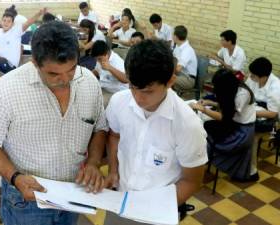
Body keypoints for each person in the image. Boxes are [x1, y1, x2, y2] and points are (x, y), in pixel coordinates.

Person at [0, 21, 107, 225]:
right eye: (53, 74)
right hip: (26, 198)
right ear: (35, 61)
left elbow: (99, 128)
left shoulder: (88, 82)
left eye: (71, 69)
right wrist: (15, 177)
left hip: (72, 193)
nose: (65, 79)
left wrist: (93, 162)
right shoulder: (6, 90)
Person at [104, 40, 207, 224]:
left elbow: (191, 181)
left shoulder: (188, 125)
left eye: (148, 91)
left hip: (157, 214)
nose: (138, 98)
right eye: (132, 87)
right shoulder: (119, 102)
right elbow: (114, 135)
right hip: (119, 201)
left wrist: (154, 208)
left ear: (170, 82)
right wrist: (113, 169)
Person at [190, 68, 257, 181]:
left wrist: (203, 109)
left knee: (206, 130)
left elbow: (225, 117)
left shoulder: (242, 93)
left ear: (226, 85)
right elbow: (227, 107)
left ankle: (203, 160)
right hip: (234, 124)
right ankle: (202, 159)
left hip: (241, 132)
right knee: (206, 126)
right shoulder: (232, 88)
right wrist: (209, 103)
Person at [0, 9, 46, 77]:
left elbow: (28, 23)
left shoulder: (15, 31)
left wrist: (39, 13)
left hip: (10, 66)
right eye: (4, 20)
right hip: (1, 63)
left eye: (9, 21)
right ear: (1, 21)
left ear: (12, 24)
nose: (6, 23)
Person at [246, 57, 280, 177]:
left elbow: (272, 113)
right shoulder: (253, 79)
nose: (250, 77)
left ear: (263, 77)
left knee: (252, 135)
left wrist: (250, 112)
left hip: (269, 118)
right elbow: (245, 92)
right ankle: (235, 159)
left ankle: (252, 169)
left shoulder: (275, 87)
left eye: (253, 76)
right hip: (253, 109)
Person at [91, 40, 128, 107]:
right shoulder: (101, 58)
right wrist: (88, 75)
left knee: (97, 103)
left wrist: (110, 68)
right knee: (87, 94)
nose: (98, 61)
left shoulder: (117, 61)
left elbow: (126, 79)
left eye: (99, 59)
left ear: (107, 53)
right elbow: (96, 71)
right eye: (96, 59)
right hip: (104, 87)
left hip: (116, 92)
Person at [172, 25, 198, 95]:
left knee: (165, 78)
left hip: (188, 80)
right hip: (179, 76)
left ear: (176, 37)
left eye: (173, 35)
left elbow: (178, 69)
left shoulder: (187, 50)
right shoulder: (177, 46)